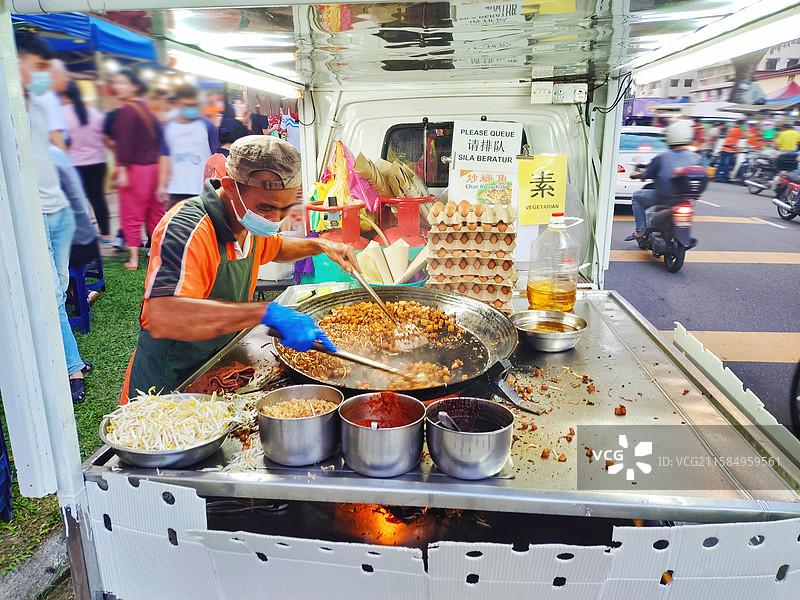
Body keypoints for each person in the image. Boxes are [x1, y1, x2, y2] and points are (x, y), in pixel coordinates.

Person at [121, 136, 360, 400]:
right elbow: (164, 314)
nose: (275, 220)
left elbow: (276, 247)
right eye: (266, 207)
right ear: (230, 187)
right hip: (167, 386)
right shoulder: (186, 228)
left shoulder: (248, 221)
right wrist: (264, 311)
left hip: (215, 371)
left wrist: (323, 247)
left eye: (284, 209)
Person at [15, 30, 91, 403]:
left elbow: (60, 153)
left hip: (58, 211)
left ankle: (65, 357)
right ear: (14, 64)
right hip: (32, 215)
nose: (45, 73)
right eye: (39, 65)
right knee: (49, 295)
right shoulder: (8, 106)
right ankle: (70, 368)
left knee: (57, 292)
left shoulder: (43, 102)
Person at [110, 68, 165, 270]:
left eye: (122, 82)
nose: (118, 86)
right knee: (156, 213)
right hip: (155, 168)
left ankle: (133, 260)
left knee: (131, 213)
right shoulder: (147, 109)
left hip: (136, 169)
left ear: (134, 86)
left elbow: (123, 143)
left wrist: (121, 169)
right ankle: (158, 256)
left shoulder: (126, 110)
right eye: (116, 82)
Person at [625, 120, 700, 241]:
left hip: (663, 196)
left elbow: (647, 174)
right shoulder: (695, 157)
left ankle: (640, 230)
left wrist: (635, 175)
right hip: (686, 199)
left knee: (637, 197)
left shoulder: (662, 157)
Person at [50, 146, 102, 306]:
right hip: (90, 243)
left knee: (49, 257)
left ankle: (77, 292)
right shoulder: (60, 159)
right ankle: (80, 291)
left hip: (76, 249)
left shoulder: (47, 200)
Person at [61, 80, 110, 243]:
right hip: (98, 162)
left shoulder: (61, 113)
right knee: (98, 198)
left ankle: (85, 232)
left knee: (78, 200)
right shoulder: (94, 113)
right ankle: (105, 234)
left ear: (63, 95)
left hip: (75, 165)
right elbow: (105, 138)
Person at [159, 84, 219, 209]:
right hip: (176, 189)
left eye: (193, 105)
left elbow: (216, 156)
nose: (190, 108)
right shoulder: (169, 127)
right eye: (186, 105)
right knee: (175, 224)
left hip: (201, 190)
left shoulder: (207, 125)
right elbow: (165, 156)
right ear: (178, 104)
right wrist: (161, 184)